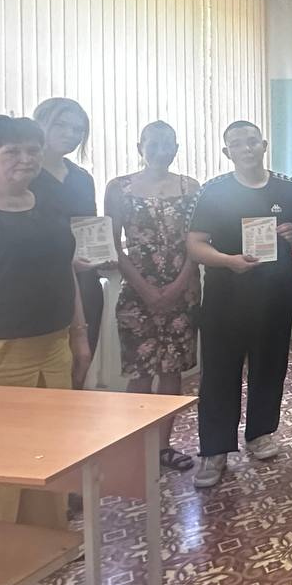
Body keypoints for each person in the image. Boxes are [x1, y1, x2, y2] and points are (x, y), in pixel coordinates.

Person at [0, 115, 91, 530]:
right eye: (12, 151)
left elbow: (65, 271)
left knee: (48, 458)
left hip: (52, 352)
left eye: (33, 150)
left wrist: (79, 336)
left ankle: (45, 545)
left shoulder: (48, 206)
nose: (26, 159)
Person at [186, 121, 292, 489]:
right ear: (227, 152)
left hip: (275, 296)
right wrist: (228, 261)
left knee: (270, 367)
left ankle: (260, 433)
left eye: (253, 141)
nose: (247, 148)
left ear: (264, 145)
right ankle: (215, 449)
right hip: (225, 297)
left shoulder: (289, 188)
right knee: (219, 373)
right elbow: (195, 245)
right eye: (238, 144)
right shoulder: (214, 192)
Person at [104, 121, 201, 472]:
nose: (161, 151)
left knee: (172, 372)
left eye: (168, 144)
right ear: (139, 147)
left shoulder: (191, 187)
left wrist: (177, 286)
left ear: (177, 148)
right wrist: (144, 288)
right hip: (136, 291)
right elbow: (113, 243)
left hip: (183, 290)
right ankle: (136, 449)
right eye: (153, 144)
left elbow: (197, 242)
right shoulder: (119, 188)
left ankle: (162, 447)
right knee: (140, 372)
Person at [31, 97, 106, 357]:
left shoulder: (82, 177)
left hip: (85, 283)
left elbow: (90, 227)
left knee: (82, 360)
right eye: (61, 125)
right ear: (40, 124)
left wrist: (104, 254)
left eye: (78, 129)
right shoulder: (20, 173)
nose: (71, 134)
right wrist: (62, 260)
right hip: (38, 283)